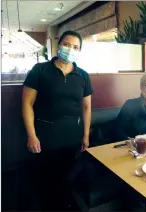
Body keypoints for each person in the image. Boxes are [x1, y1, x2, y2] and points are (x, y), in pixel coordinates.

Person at [20, 30, 93, 211]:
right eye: (67, 45)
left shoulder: (83, 76)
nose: (70, 50)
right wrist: (31, 135)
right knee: (46, 183)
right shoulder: (40, 70)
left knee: (68, 181)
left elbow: (86, 108)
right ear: (58, 45)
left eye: (76, 47)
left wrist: (85, 135)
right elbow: (27, 104)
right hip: (46, 138)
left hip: (72, 138)